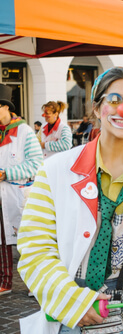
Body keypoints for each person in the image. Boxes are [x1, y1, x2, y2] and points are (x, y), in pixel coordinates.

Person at [17, 67, 123, 333]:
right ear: (97, 109)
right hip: (75, 307)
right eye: (114, 100)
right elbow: (35, 246)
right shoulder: (55, 171)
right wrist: (72, 301)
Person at [0, 84, 43, 296]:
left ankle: (33, 284)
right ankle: (5, 282)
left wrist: (6, 173)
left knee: (27, 241)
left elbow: (36, 163)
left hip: (20, 194)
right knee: (2, 242)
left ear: (4, 107)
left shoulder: (25, 131)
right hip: (2, 197)